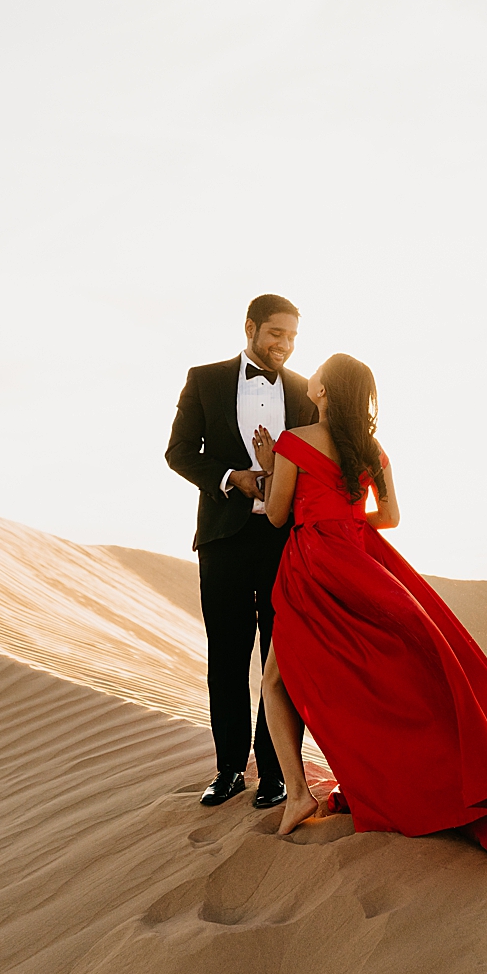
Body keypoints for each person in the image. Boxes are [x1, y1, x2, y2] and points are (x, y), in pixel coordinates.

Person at [253, 355, 487, 896]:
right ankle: (418, 780)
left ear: (322, 390)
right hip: (360, 562)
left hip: (314, 566)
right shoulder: (371, 451)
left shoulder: (292, 441)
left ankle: (297, 791)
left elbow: (274, 515)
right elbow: (389, 517)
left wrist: (269, 467)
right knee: (394, 672)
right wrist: (343, 516)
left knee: (276, 677)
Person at [165, 295, 319, 813]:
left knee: (281, 659)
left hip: (286, 540)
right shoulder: (204, 379)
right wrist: (233, 478)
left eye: (293, 337)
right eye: (276, 334)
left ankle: (275, 773)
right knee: (227, 658)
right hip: (224, 539)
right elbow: (180, 452)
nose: (285, 346)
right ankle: (229, 770)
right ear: (251, 327)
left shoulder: (304, 391)